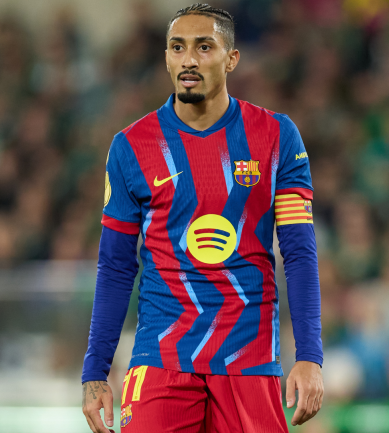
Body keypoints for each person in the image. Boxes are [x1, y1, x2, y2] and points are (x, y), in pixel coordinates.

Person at [81, 4, 323, 432]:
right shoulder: (131, 146)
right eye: (178, 47)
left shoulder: (276, 136)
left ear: (232, 59)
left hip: (249, 359)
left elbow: (300, 253)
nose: (188, 59)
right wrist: (95, 370)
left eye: (204, 47)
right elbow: (116, 266)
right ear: (166, 57)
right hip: (161, 358)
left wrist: (309, 356)